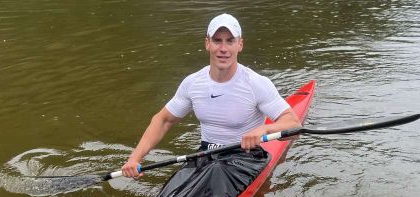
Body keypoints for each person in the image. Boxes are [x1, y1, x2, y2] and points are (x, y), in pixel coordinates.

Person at [122, 13, 301, 177]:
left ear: (240, 45)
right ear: (207, 43)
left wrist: (264, 129)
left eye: (230, 41)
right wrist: (134, 159)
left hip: (246, 157)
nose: (223, 48)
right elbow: (163, 120)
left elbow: (293, 125)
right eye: (217, 41)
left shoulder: (256, 83)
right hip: (206, 155)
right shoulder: (193, 83)